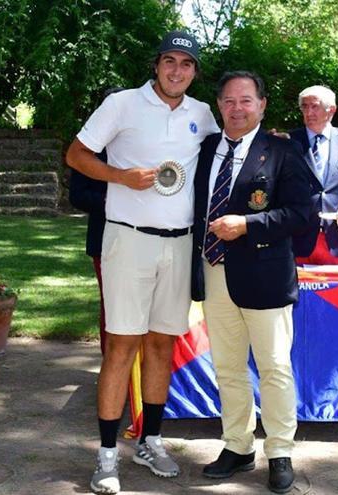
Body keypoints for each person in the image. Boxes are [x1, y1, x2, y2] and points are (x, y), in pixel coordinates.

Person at [65, 31, 219, 495]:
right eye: (169, 61)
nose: (177, 71)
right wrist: (119, 176)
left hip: (180, 243)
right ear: (156, 65)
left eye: (186, 64)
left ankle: (151, 440)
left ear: (194, 72)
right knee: (121, 347)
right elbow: (76, 155)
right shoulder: (122, 103)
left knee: (160, 347)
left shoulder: (202, 113)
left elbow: (229, 150)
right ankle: (107, 456)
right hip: (128, 241)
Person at [191, 71, 313, 494]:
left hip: (265, 276)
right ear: (218, 105)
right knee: (226, 366)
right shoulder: (205, 149)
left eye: (246, 101)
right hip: (214, 271)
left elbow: (304, 215)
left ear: (262, 105)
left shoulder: (283, 151)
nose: (236, 109)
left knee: (274, 367)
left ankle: (280, 451)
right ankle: (238, 446)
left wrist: (248, 223)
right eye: (228, 101)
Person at [68, 89, 124, 357]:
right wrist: (114, 201)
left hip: (150, 240)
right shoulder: (88, 147)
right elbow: (77, 196)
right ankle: (112, 370)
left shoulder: (144, 142)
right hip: (104, 241)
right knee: (112, 310)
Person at [289, 85, 338, 264]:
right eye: (304, 106)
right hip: (297, 238)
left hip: (336, 238)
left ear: (331, 110)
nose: (308, 112)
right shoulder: (289, 141)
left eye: (314, 106)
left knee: (335, 291)